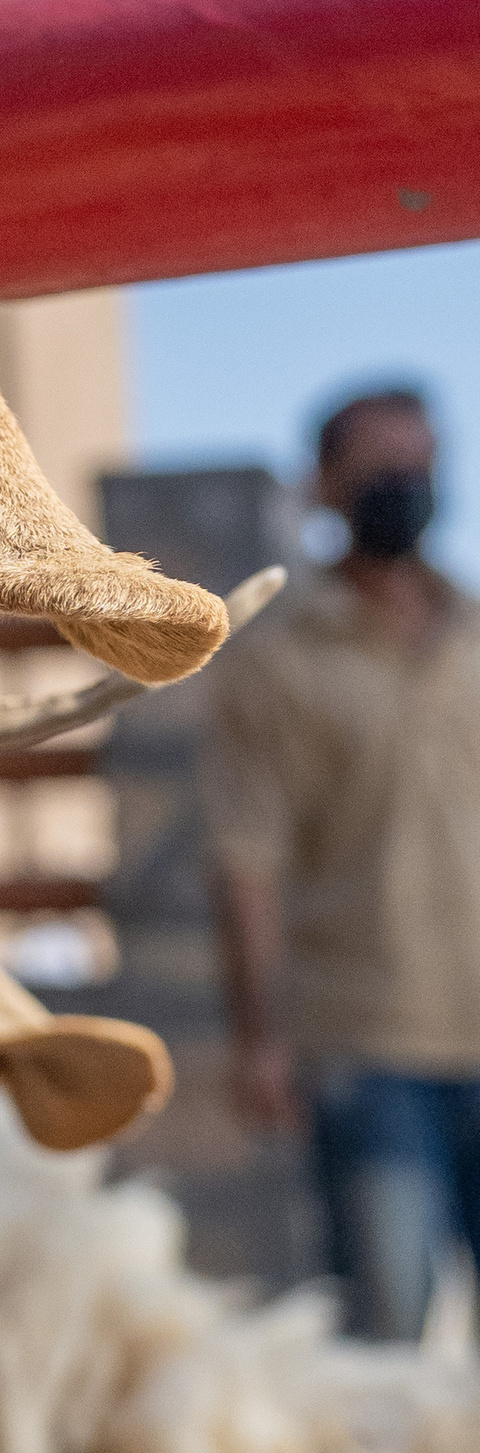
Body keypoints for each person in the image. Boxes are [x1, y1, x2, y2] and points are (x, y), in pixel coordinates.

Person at [205, 385, 480, 1338]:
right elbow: (248, 864)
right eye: (381, 469)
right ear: (325, 485)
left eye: (423, 465)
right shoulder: (277, 662)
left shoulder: (476, 633)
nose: (408, 486)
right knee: (390, 1338)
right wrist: (261, 1040)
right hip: (369, 1047)